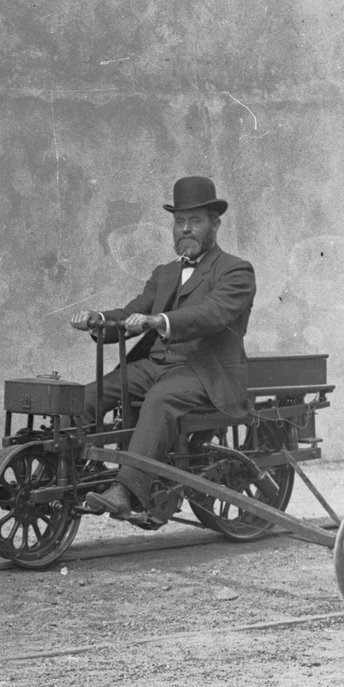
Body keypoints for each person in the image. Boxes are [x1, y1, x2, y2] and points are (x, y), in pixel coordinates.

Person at [70, 175, 256, 525]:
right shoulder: (165, 273)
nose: (185, 229)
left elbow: (212, 314)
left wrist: (161, 321)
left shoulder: (235, 270)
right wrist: (98, 318)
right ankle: (82, 472)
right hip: (155, 366)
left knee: (160, 400)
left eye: (195, 221)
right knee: (90, 396)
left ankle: (124, 492)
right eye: (179, 221)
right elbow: (132, 310)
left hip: (203, 372)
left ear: (215, 225)